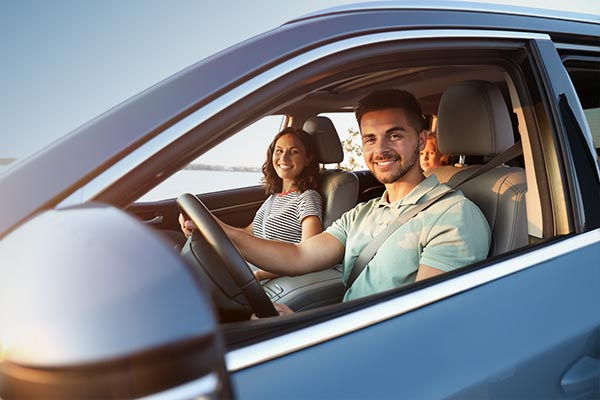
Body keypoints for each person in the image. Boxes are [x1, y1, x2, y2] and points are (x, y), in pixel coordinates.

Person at [181, 89, 491, 316]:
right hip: (350, 332)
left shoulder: (454, 216)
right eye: (370, 138)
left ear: (421, 140)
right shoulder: (364, 212)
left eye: (394, 135)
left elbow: (422, 322)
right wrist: (216, 229)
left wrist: (306, 333)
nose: (380, 149)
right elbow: (299, 256)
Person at [181, 127, 323, 280]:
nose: (284, 158)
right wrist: (205, 229)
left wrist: (259, 275)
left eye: (294, 151)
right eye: (279, 151)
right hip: (249, 266)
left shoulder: (307, 198)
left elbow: (310, 253)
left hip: (267, 275)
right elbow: (248, 233)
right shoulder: (274, 198)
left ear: (308, 158)